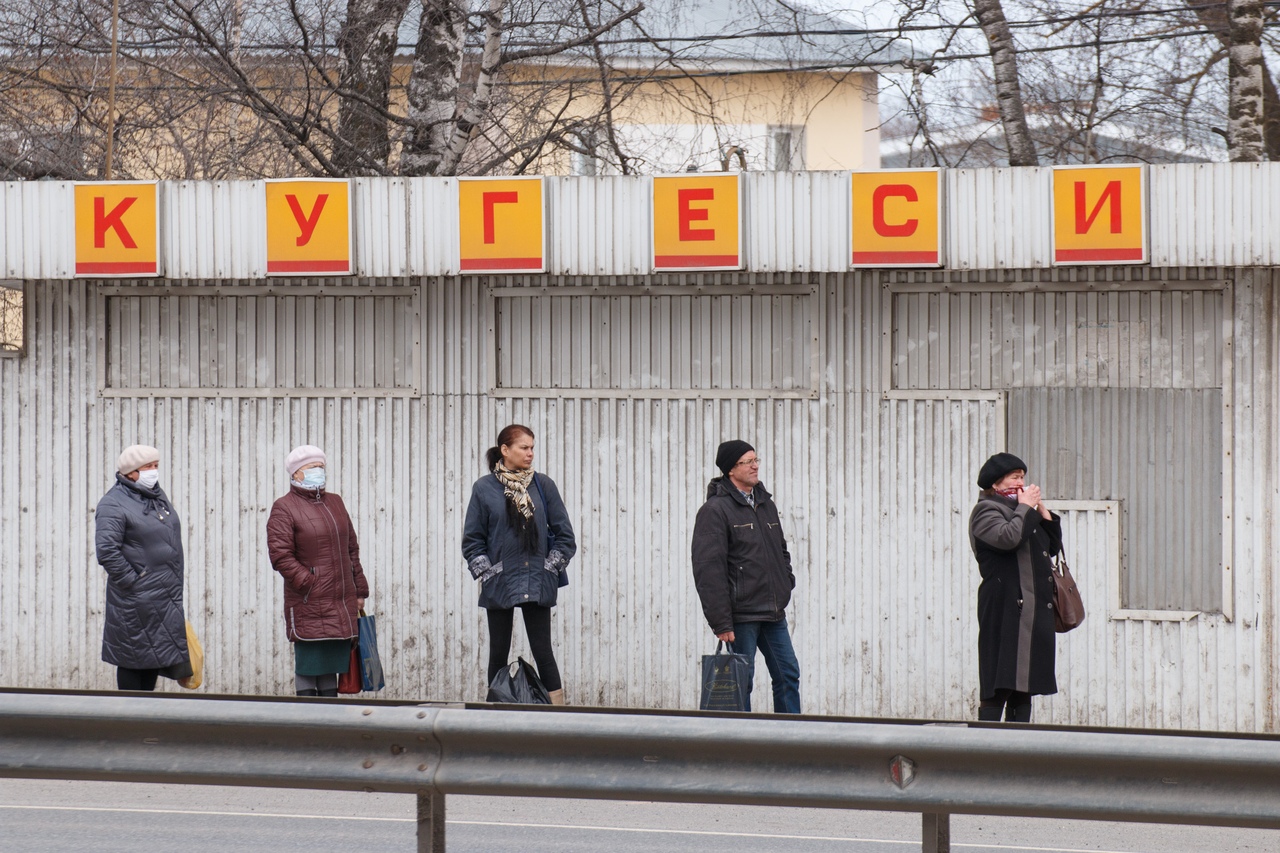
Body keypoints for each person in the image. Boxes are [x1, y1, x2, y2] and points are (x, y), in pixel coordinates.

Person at [463, 424, 576, 705]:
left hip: (537, 580)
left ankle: (558, 718)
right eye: (524, 448)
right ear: (505, 450)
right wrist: (488, 574)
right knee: (497, 653)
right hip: (500, 582)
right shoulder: (484, 488)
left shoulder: (543, 485)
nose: (530, 454)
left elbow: (565, 537)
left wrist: (550, 568)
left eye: (532, 447)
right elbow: (472, 541)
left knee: (543, 652)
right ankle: (494, 715)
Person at [691, 440, 800, 714]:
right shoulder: (715, 511)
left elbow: (781, 550)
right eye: (747, 462)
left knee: (788, 675)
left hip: (773, 612)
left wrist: (786, 582)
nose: (755, 466)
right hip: (741, 616)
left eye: (756, 459)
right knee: (741, 682)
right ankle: (740, 744)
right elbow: (708, 569)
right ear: (730, 470)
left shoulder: (765, 504)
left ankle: (793, 741)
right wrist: (720, 621)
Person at [266, 445, 370, 697]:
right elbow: (280, 555)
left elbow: (351, 549)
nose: (319, 472)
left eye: (321, 467)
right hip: (308, 600)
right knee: (309, 661)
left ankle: (329, 721)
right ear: (296, 474)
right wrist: (310, 582)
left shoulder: (335, 502)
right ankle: (308, 719)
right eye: (313, 468)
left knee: (332, 664)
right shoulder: (284, 507)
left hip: (340, 599)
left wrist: (360, 590)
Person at [968, 452, 1063, 723]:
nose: (1021, 482)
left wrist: (1044, 516)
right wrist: (1025, 508)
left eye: (1023, 476)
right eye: (1014, 477)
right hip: (1004, 606)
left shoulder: (1021, 511)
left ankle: (1017, 749)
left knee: (1025, 684)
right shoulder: (986, 511)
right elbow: (1008, 538)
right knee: (1000, 679)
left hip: (1031, 608)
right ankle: (987, 746)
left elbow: (1050, 548)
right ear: (996, 484)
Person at [94, 445, 193, 691]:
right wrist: (135, 581)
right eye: (147, 467)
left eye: (156, 466)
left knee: (152, 657)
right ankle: (129, 719)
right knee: (132, 657)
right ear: (130, 472)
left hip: (163, 594)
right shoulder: (113, 503)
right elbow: (107, 550)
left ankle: (144, 717)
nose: (154, 471)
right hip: (135, 597)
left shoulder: (157, 496)